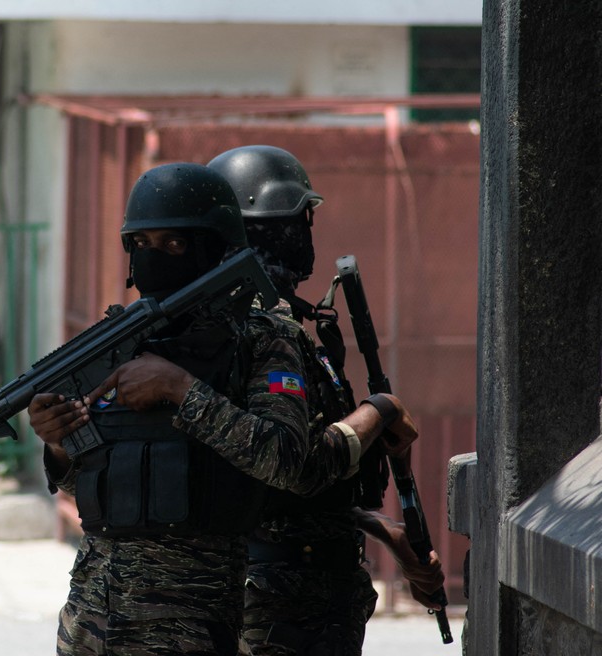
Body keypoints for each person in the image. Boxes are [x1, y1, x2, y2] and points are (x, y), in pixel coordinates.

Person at [27, 161, 418, 656]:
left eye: (174, 243)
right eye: (142, 243)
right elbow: (95, 481)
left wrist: (180, 389)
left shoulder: (260, 338)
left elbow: (288, 461)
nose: (155, 256)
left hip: (186, 619)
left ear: (213, 248)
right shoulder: (122, 338)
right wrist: (58, 443)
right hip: (90, 618)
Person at [207, 145, 446, 656]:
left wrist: (385, 531)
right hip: (278, 608)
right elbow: (294, 467)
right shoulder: (254, 331)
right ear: (269, 231)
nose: (306, 234)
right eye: (299, 221)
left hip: (304, 598)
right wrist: (380, 411)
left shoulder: (276, 323)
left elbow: (281, 492)